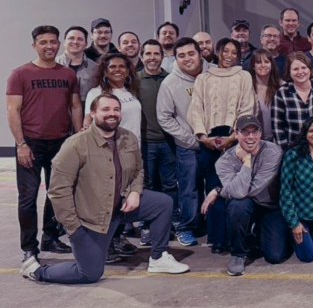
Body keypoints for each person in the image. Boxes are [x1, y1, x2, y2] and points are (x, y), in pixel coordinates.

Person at [21, 94, 189, 283]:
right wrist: (73, 227)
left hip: (120, 208)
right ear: (92, 113)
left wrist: (135, 191)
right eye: (105, 109)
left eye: (116, 109)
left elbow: (138, 169)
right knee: (89, 273)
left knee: (163, 203)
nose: (112, 114)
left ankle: (158, 257)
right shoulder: (75, 144)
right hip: (92, 219)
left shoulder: (128, 137)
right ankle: (37, 271)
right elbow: (58, 191)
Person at [7, 25, 82, 261]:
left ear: (58, 44)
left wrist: (78, 139)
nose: (49, 46)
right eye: (43, 42)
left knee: (57, 194)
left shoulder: (68, 74)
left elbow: (76, 107)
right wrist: (21, 144)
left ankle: (50, 237)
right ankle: (29, 247)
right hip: (31, 143)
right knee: (28, 198)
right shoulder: (20, 74)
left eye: (53, 41)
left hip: (60, 143)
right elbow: (12, 110)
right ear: (34, 45)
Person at [189, 38, 257, 251]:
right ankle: (217, 239)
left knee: (233, 187)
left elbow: (248, 106)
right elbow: (195, 108)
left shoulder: (243, 75)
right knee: (212, 187)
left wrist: (234, 137)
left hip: (234, 136)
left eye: (233, 52)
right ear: (217, 52)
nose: (229, 55)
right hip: (209, 138)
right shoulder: (203, 77)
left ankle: (234, 238)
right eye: (225, 51)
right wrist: (202, 136)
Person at [201, 114, 286, 275]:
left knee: (275, 256)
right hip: (247, 204)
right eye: (245, 132)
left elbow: (256, 187)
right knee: (237, 204)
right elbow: (239, 193)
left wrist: (219, 191)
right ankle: (238, 254)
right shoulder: (224, 162)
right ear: (236, 134)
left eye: (255, 132)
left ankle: (256, 235)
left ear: (261, 133)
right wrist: (246, 162)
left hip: (270, 205)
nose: (251, 137)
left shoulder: (273, 152)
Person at [156, 36, 209, 247]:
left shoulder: (213, 73)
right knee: (189, 188)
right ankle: (187, 226)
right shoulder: (170, 83)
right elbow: (164, 117)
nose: (187, 59)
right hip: (189, 146)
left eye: (191, 53)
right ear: (175, 59)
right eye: (181, 55)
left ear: (200, 53)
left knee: (215, 186)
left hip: (216, 144)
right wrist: (190, 139)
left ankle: (211, 224)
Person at [278, 118, 313, 263]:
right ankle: (291, 234)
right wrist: (294, 223)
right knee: (308, 257)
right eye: (312, 131)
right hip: (299, 215)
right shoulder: (293, 155)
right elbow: (285, 191)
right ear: (305, 133)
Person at [137, 40, 177, 229]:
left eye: (156, 54)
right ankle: (147, 225)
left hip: (169, 142)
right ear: (141, 57)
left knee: (170, 185)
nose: (152, 58)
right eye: (148, 54)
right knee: (148, 185)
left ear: (163, 56)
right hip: (146, 143)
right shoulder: (135, 81)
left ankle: (171, 222)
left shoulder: (171, 79)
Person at [273, 51, 313, 149]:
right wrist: (286, 151)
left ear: (310, 69)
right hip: (293, 150)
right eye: (295, 69)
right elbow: (278, 127)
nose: (300, 72)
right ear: (289, 72)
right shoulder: (282, 93)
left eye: (304, 67)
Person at [85, 52, 143, 142]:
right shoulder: (95, 93)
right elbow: (88, 120)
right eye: (112, 67)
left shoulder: (132, 91)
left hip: (134, 145)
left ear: (127, 71)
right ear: (105, 72)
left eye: (122, 66)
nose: (117, 69)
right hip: (108, 147)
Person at [56, 25, 98, 104]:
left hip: (86, 113)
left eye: (80, 39)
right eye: (71, 38)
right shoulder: (53, 64)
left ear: (86, 44)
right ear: (64, 42)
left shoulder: (96, 68)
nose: (75, 42)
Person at [248, 48, 283, 142]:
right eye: (259, 62)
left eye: (267, 62)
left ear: (271, 65)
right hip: (253, 140)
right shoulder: (247, 87)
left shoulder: (281, 86)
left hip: (277, 140)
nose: (263, 65)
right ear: (253, 66)